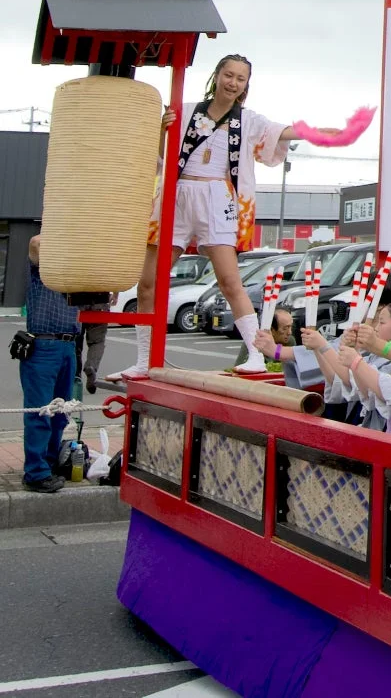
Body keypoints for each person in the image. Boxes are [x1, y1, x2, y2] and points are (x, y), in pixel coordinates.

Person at [112, 54, 297, 380]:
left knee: (229, 281)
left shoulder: (248, 120)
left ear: (246, 85)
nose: (233, 82)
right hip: (177, 194)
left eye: (241, 78)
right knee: (148, 284)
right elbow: (157, 154)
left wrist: (319, 133)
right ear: (217, 75)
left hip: (217, 198)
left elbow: (279, 133)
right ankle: (144, 359)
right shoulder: (185, 110)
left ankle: (255, 354)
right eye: (229, 75)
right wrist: (161, 128)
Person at [16, 236, 79, 493]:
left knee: (60, 412)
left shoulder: (77, 281)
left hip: (69, 345)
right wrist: (65, 230)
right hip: (43, 345)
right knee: (40, 412)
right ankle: (35, 472)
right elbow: (35, 243)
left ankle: (48, 464)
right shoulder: (41, 271)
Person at [253, 305, 324, 393]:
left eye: (291, 327)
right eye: (285, 328)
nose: (289, 332)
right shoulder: (256, 341)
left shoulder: (290, 341)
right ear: (272, 330)